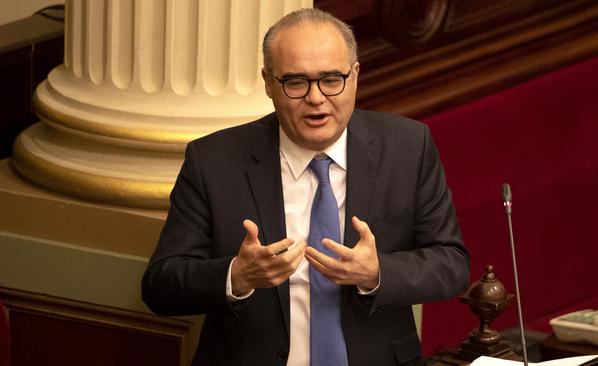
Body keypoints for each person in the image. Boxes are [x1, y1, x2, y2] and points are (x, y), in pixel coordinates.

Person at [141, 8, 469, 366]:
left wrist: (377, 272)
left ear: (355, 76)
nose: (316, 98)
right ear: (268, 82)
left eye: (331, 80)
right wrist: (236, 275)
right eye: (296, 82)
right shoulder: (214, 161)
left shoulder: (408, 147)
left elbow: (451, 264)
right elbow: (161, 286)